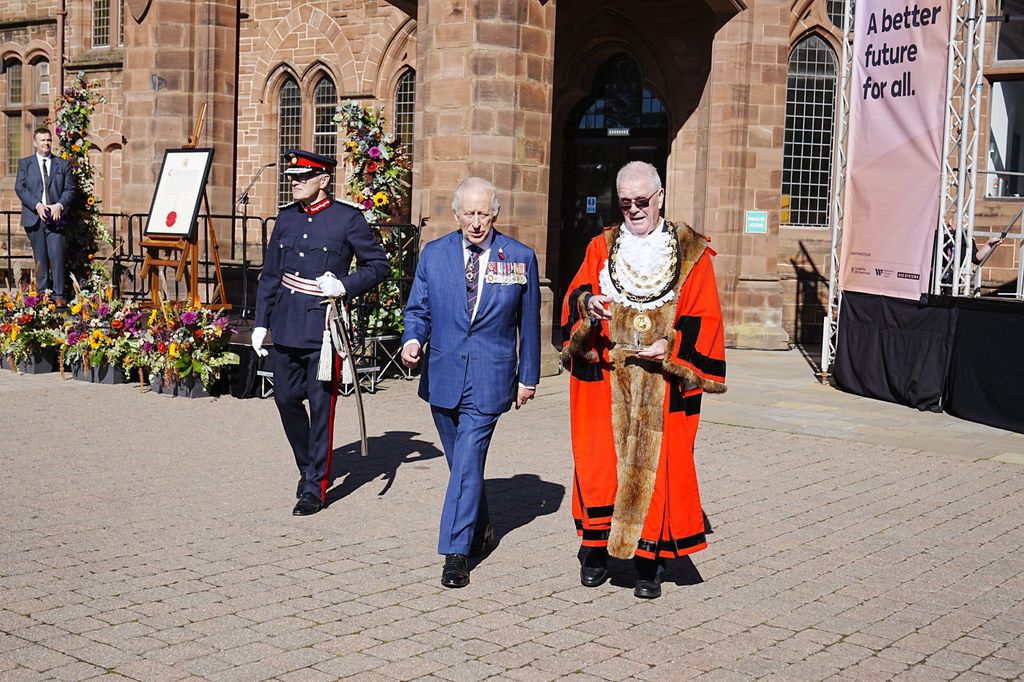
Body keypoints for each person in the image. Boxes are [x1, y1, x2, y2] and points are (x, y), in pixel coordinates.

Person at [560, 161, 726, 599]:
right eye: (625, 202)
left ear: (661, 197)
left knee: (658, 466)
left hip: (661, 380)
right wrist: (587, 304)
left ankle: (648, 560)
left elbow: (706, 317)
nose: (633, 210)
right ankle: (594, 549)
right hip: (608, 375)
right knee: (600, 464)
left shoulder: (690, 251)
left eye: (642, 201)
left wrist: (669, 347)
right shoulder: (602, 247)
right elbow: (575, 294)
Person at [401, 177, 541, 588]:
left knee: (466, 460)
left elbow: (528, 323)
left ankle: (455, 553)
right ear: (456, 213)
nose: (477, 222)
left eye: (484, 213)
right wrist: (413, 339)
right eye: (470, 213)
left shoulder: (519, 257)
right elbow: (419, 309)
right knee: (462, 464)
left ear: (495, 214)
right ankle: (481, 527)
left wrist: (527, 376)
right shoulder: (434, 254)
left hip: (490, 376)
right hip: (442, 375)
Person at [252, 150, 389, 516]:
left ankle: (316, 485)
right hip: (285, 324)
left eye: (302, 178)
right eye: (293, 178)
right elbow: (271, 274)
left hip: (323, 328)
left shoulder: (347, 220)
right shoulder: (285, 219)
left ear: (324, 180)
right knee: (284, 400)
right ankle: (306, 465)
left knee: (321, 408)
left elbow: (379, 266)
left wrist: (344, 285)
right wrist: (261, 321)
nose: (294, 183)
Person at [15, 128, 75, 302]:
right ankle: (42, 298)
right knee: (40, 258)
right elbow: (20, 188)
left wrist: (60, 205)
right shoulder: (25, 164)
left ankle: (58, 297)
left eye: (48, 140)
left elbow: (70, 189)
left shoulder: (62, 164)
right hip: (35, 217)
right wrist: (37, 205)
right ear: (35, 142)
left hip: (56, 218)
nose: (46, 143)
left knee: (57, 256)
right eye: (42, 140)